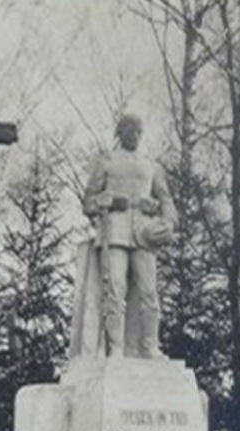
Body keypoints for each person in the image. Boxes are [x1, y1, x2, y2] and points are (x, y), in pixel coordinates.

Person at [74, 114, 176, 359]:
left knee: (149, 292)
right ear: (121, 133)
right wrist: (105, 201)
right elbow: (88, 202)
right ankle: (117, 348)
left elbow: (166, 198)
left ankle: (151, 346)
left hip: (143, 231)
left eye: (139, 131)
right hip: (114, 230)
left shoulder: (150, 165)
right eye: (130, 131)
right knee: (115, 291)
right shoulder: (106, 161)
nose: (135, 136)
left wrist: (168, 221)